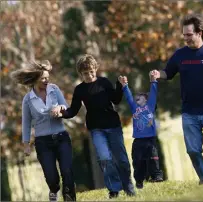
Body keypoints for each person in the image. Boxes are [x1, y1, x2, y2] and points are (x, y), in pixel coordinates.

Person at [150, 14, 203, 184]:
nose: (185, 38)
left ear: (199, 33)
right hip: (190, 111)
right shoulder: (180, 55)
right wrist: (159, 74)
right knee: (193, 150)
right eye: (184, 35)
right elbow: (169, 72)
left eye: (189, 34)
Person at [52, 54, 135, 199]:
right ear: (81, 74)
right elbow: (73, 110)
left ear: (95, 69)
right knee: (104, 158)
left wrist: (119, 86)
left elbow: (116, 99)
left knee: (121, 158)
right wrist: (62, 113)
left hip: (113, 125)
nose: (89, 75)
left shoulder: (104, 82)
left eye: (91, 72)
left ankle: (128, 185)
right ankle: (114, 189)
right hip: (96, 128)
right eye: (85, 73)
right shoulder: (80, 90)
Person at [11, 60, 76, 201]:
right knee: (52, 177)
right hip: (43, 142)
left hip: (61, 137)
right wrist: (26, 144)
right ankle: (54, 190)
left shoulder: (54, 89)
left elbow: (66, 106)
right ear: (35, 80)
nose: (47, 80)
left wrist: (59, 109)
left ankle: (69, 197)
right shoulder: (28, 100)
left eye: (48, 77)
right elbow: (26, 123)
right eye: (43, 78)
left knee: (67, 171)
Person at [118, 72, 163, 189]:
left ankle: (157, 176)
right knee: (138, 162)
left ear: (146, 99)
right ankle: (139, 180)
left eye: (139, 97)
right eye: (136, 98)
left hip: (150, 140)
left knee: (153, 158)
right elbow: (128, 97)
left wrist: (153, 80)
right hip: (138, 141)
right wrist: (125, 85)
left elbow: (153, 93)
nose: (136, 98)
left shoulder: (150, 106)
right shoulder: (134, 108)